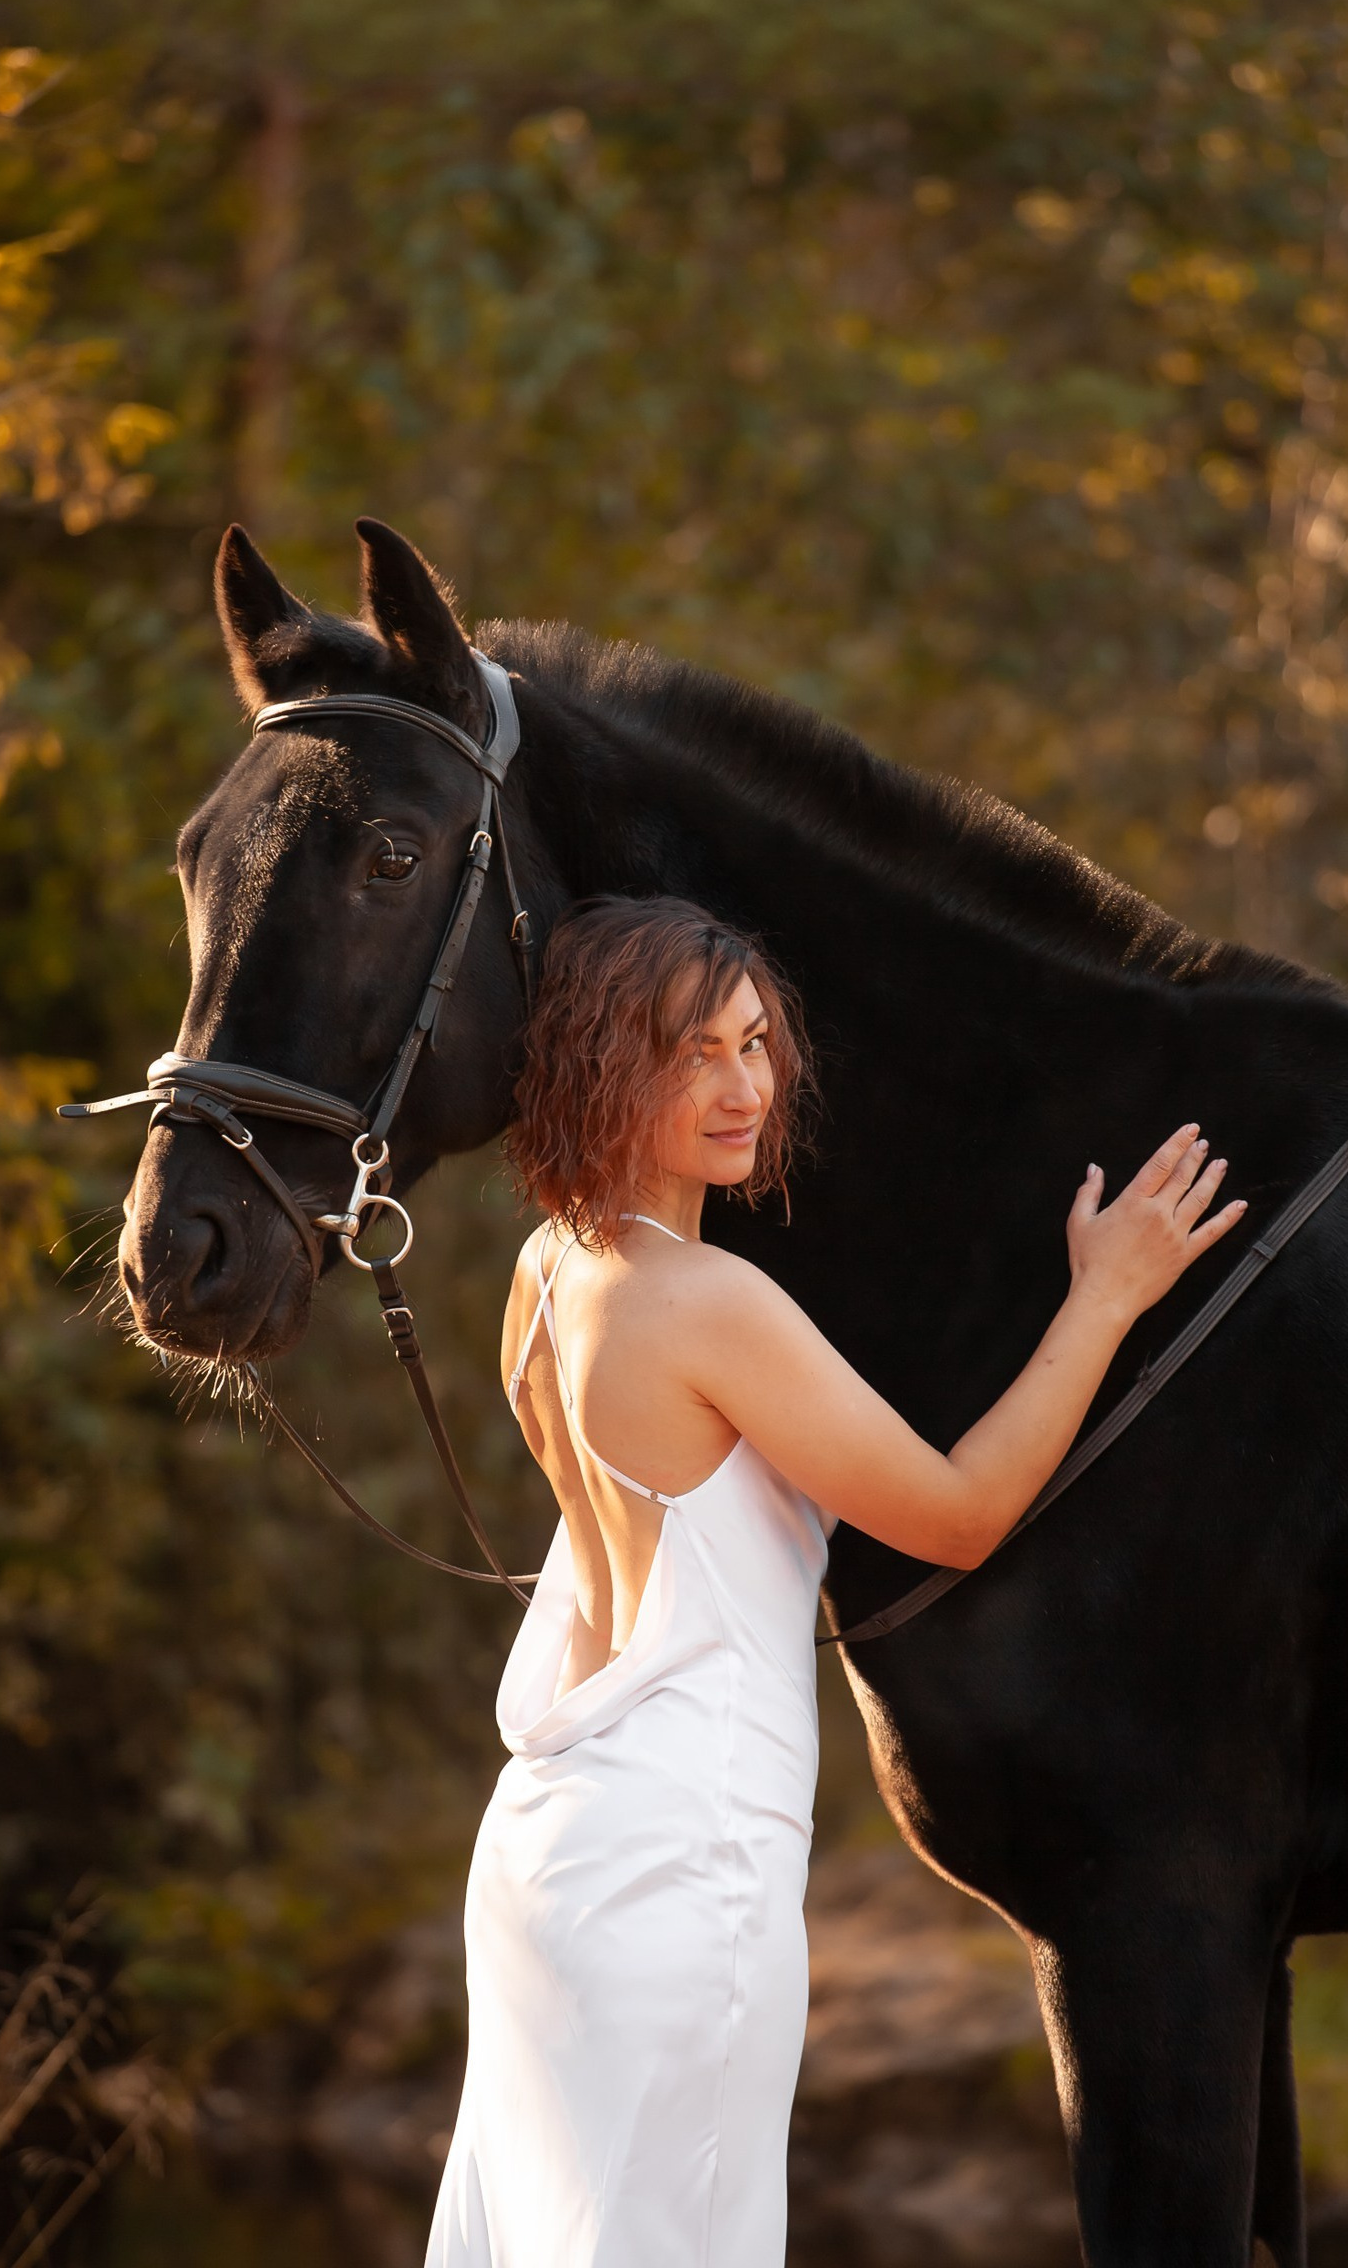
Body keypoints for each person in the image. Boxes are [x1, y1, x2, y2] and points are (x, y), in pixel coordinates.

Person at [423, 894, 1245, 2268]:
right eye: (691, 1054)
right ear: (596, 1063)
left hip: (551, 1850)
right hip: (681, 1867)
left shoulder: (546, 1270)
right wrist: (1106, 1294)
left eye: (754, 1043)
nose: (743, 1087)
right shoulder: (700, 1302)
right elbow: (961, 1514)